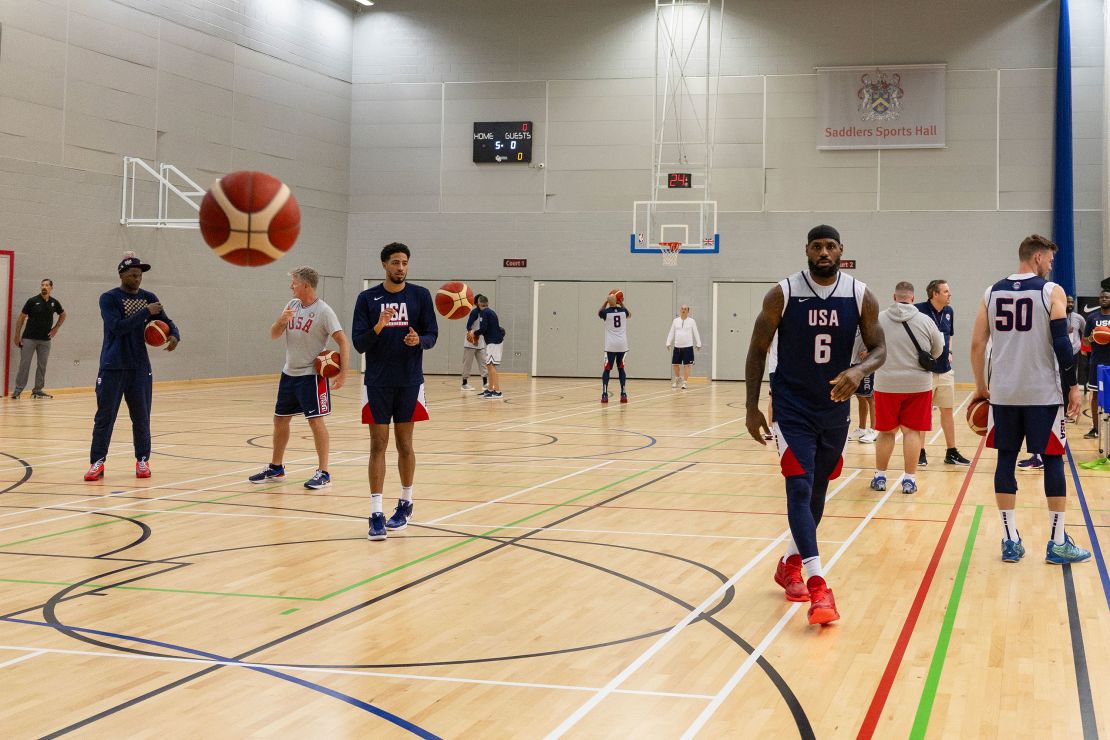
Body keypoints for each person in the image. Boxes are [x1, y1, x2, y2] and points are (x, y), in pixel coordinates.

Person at [745, 225, 886, 625]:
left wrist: (859, 371)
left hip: (834, 408)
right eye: (816, 246)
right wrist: (751, 406)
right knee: (800, 484)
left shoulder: (860, 294)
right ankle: (818, 582)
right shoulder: (783, 293)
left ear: (841, 249)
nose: (823, 252)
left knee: (818, 488)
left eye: (830, 246)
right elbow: (756, 351)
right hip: (791, 407)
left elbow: (879, 348)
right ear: (806, 250)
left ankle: (789, 562)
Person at [969, 234, 1090, 564]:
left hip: (1004, 395)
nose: (1051, 265)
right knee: (1052, 460)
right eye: (1049, 259)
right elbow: (1062, 345)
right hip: (1042, 393)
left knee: (1005, 461)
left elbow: (978, 345)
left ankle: (1010, 540)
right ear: (1037, 257)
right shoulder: (1051, 291)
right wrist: (1074, 386)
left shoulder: (990, 292)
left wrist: (981, 386)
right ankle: (1057, 543)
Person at [352, 243, 439, 541]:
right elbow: (359, 344)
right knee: (378, 445)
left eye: (404, 263)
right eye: (395, 262)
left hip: (409, 380)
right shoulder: (367, 299)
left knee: (405, 444)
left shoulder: (420, 296)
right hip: (376, 381)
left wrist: (421, 340)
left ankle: (406, 502)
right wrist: (379, 325)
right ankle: (376, 512)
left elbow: (432, 334)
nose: (400, 267)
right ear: (384, 265)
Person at [248, 267, 349, 490]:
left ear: (305, 285)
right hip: (289, 373)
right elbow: (274, 335)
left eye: (293, 283)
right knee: (280, 420)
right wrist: (281, 321)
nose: (290, 286)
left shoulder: (324, 311)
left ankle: (324, 472)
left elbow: (343, 341)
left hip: (311, 376)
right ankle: (276, 468)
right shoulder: (291, 306)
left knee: (315, 421)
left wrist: (343, 372)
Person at [84, 252, 179, 481]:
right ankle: (97, 463)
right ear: (122, 274)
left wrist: (175, 335)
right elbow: (118, 327)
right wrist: (146, 312)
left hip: (139, 368)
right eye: (133, 274)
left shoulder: (150, 297)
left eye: (140, 275)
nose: (138, 278)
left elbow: (167, 321)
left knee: (141, 416)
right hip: (113, 366)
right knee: (105, 417)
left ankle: (143, 461)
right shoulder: (109, 298)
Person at [870, 282, 943, 495]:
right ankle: (909, 480)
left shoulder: (879, 319)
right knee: (912, 432)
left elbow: (865, 346)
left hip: (886, 384)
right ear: (912, 298)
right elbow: (937, 351)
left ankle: (880, 476)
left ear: (894, 297)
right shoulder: (925, 320)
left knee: (885, 432)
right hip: (918, 385)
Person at [916, 279, 972, 466]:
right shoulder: (918, 310)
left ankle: (951, 452)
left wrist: (949, 351)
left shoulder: (949, 312)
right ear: (935, 294)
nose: (950, 294)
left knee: (947, 411)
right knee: (923, 414)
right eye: (946, 291)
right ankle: (919, 452)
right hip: (925, 372)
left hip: (945, 371)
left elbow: (950, 336)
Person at [11, 279, 66, 400]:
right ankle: (18, 390)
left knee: (42, 365)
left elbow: (63, 315)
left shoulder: (54, 302)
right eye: (42, 285)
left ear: (51, 287)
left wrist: (56, 328)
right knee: (24, 365)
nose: (44, 287)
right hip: (29, 338)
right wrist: (17, 335)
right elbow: (21, 318)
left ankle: (37, 390)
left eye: (47, 285)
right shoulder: (32, 301)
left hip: (45, 340)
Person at [1082, 289, 1110, 439]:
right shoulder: (1092, 317)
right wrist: (1093, 338)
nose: (1103, 299)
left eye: (1106, 297)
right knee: (1095, 396)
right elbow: (1085, 340)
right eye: (1101, 297)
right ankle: (1095, 429)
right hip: (1097, 362)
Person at [469, 295, 505, 399]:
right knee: (489, 365)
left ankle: (497, 391)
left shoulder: (484, 313)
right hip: (493, 341)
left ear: (479, 304)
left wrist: (474, 333)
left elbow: (483, 328)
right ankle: (490, 389)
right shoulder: (490, 312)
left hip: (494, 342)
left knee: (492, 365)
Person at [599, 292, 631, 404]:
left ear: (609, 302)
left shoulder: (606, 313)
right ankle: (623, 394)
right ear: (618, 301)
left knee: (607, 369)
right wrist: (620, 302)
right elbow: (629, 313)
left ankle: (604, 395)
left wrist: (606, 301)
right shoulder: (623, 311)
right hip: (622, 345)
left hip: (611, 346)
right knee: (621, 368)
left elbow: (599, 311)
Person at [847, 329, 877, 443]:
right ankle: (862, 428)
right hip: (853, 362)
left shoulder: (870, 321)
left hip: (866, 364)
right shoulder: (853, 320)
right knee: (860, 396)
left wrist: (869, 351)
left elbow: (880, 342)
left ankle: (874, 430)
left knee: (870, 397)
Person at [665, 304, 701, 389]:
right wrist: (668, 342)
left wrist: (699, 343)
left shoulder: (692, 321)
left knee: (687, 365)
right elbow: (671, 332)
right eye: (682, 309)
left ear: (688, 311)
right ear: (680, 310)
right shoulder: (675, 321)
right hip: (677, 347)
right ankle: (678, 378)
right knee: (675, 364)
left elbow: (696, 332)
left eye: (685, 309)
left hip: (688, 347)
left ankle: (685, 382)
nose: (683, 310)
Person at [460, 297, 488, 392]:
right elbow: (468, 326)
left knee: (483, 362)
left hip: (480, 342)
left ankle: (485, 383)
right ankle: (464, 384)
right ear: (477, 304)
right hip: (470, 342)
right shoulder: (474, 312)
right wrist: (472, 336)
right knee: (467, 364)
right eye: (482, 304)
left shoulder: (485, 313)